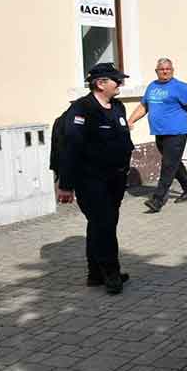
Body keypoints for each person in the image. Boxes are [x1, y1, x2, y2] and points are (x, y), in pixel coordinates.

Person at [56, 63, 134, 295]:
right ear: (100, 83)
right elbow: (71, 148)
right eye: (116, 80)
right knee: (105, 225)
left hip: (115, 178)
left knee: (101, 225)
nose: (120, 84)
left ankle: (95, 273)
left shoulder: (117, 106)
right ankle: (111, 274)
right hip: (90, 179)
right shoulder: (82, 109)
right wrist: (66, 185)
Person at [128, 58, 187, 213]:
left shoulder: (180, 87)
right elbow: (144, 106)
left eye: (168, 69)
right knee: (174, 163)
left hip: (176, 133)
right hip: (159, 133)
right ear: (156, 71)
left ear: (173, 70)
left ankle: (157, 200)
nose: (165, 71)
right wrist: (130, 120)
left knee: (168, 165)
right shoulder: (152, 86)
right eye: (162, 69)